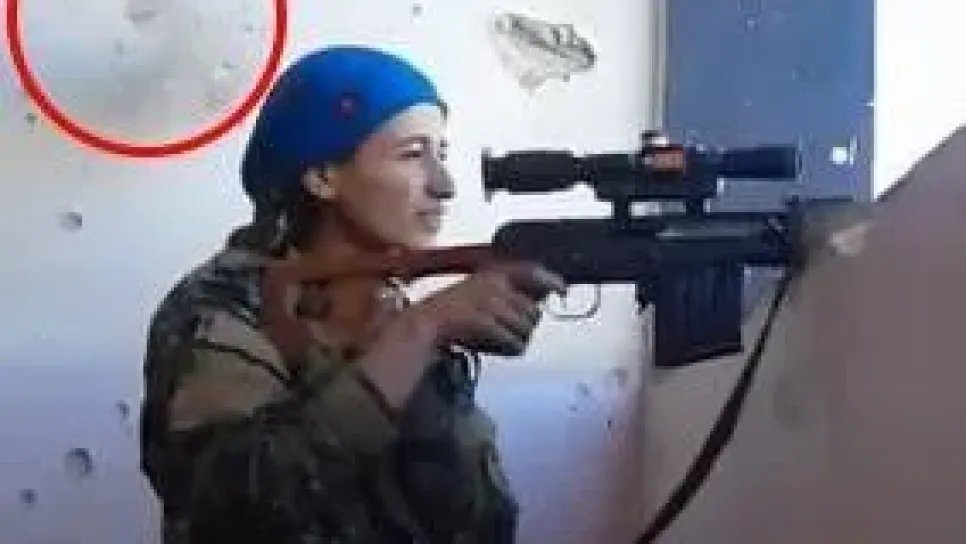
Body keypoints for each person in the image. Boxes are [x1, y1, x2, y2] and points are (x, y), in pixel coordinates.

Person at [138, 45, 566, 544]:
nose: (444, 185)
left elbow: (474, 515)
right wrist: (417, 334)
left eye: (441, 154)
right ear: (322, 177)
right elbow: (234, 508)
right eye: (412, 155)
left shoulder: (386, 306)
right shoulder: (227, 307)